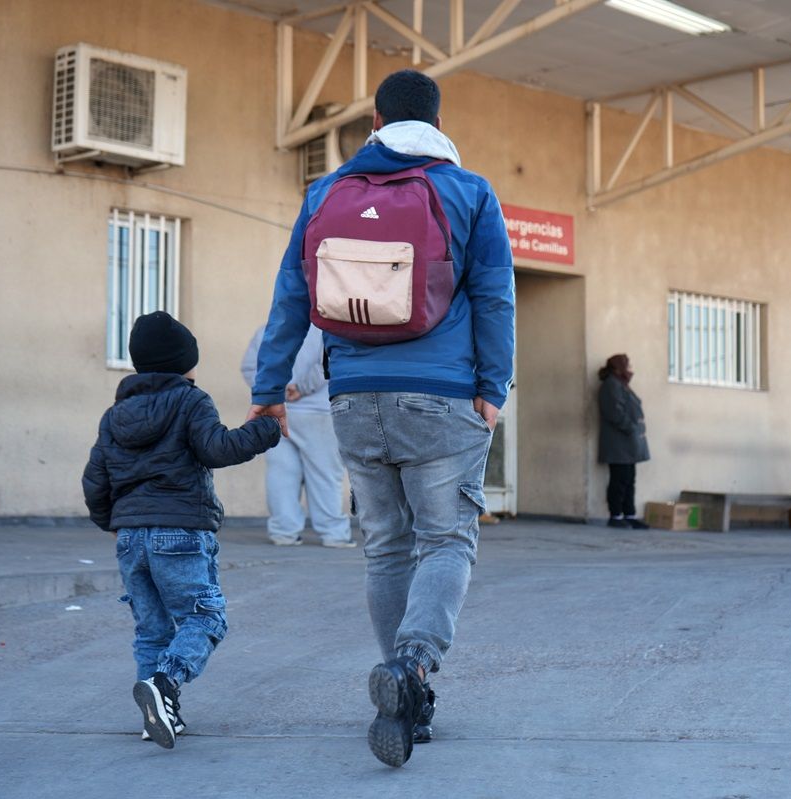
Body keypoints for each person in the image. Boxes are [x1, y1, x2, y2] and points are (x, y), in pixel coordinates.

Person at [248, 69, 514, 767]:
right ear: (436, 121)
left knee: (387, 546)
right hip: (444, 396)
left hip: (354, 397)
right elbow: (493, 298)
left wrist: (271, 385)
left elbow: (289, 298)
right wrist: (495, 386)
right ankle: (412, 666)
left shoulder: (326, 192)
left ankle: (408, 699)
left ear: (374, 121)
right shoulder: (468, 190)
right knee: (448, 539)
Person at [81, 311, 281, 749]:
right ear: (185, 363)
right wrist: (265, 429)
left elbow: (95, 479)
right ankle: (165, 685)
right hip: (181, 531)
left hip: (131, 536)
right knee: (206, 617)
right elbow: (217, 448)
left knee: (152, 631)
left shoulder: (115, 415)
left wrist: (112, 523)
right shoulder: (192, 400)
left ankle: (155, 715)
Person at [241, 325, 355, 548]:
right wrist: (300, 388)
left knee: (281, 474)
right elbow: (330, 362)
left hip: (274, 411)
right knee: (325, 475)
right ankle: (334, 534)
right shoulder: (328, 329)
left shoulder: (267, 329)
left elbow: (249, 367)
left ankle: (283, 532)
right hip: (318, 411)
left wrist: (273, 391)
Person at [597, 354, 650, 529]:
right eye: (627, 366)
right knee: (619, 480)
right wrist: (631, 427)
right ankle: (616, 516)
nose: (630, 369)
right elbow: (614, 412)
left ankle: (629, 514)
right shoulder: (611, 385)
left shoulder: (621, 384)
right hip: (619, 443)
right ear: (618, 368)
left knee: (629, 479)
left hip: (628, 443)